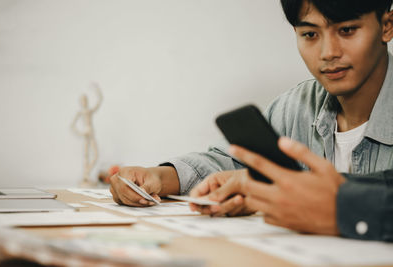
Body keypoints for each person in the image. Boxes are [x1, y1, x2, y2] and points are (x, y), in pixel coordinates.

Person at [110, 0, 393, 241]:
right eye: (309, 34)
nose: (328, 52)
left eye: (347, 30)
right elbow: (230, 163)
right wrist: (158, 177)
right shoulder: (296, 105)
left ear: (386, 25)